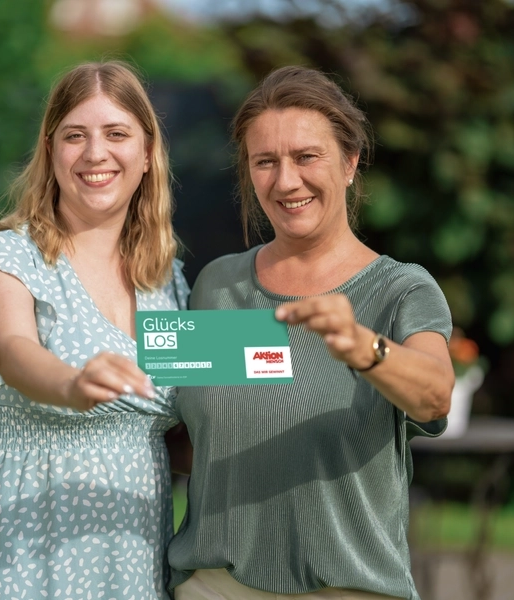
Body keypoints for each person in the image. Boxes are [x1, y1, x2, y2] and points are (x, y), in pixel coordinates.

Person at [167, 66, 455, 600]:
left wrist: (363, 347)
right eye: (265, 161)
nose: (286, 181)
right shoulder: (217, 285)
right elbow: (196, 433)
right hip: (213, 587)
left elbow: (435, 395)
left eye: (306, 157)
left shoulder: (401, 289)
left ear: (349, 162)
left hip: (345, 591)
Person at [0, 61, 189, 600]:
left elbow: (176, 429)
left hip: (130, 556)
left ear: (147, 153)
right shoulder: (5, 260)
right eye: (75, 135)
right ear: (50, 151)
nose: (95, 153)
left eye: (116, 134)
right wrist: (72, 385)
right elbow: (14, 352)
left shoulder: (166, 281)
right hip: (18, 548)